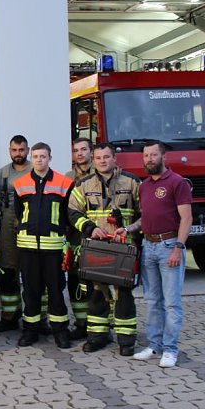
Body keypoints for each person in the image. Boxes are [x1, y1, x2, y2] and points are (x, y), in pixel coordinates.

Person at [115, 140, 192, 368]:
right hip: (148, 247)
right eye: (146, 155)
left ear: (163, 157)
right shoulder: (145, 185)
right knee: (152, 301)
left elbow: (186, 218)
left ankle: (171, 349)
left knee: (171, 303)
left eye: (153, 155)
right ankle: (154, 345)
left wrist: (178, 247)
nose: (149, 159)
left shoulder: (177, 183)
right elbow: (145, 218)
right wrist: (128, 228)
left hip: (169, 246)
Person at [68, 143, 141, 356]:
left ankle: (126, 340)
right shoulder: (83, 184)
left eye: (106, 157)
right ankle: (97, 337)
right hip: (97, 246)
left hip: (124, 247)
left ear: (114, 159)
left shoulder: (132, 182)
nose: (102, 161)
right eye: (98, 157)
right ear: (94, 159)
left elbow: (145, 213)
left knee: (123, 293)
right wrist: (90, 228)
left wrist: (129, 230)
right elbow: (72, 212)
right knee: (97, 293)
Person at [13, 142, 74, 349]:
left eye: (43, 156)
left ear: (50, 158)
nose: (39, 160)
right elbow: (19, 212)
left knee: (56, 290)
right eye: (36, 156)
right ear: (32, 158)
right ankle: (31, 330)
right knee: (31, 290)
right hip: (28, 247)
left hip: (53, 248)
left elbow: (67, 214)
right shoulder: (20, 183)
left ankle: (60, 331)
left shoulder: (64, 183)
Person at [0, 135, 30, 334]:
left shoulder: (36, 170)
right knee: (7, 272)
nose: (18, 154)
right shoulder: (2, 174)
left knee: (33, 273)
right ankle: (9, 317)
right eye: (14, 150)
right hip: (7, 223)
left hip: (31, 224)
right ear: (9, 151)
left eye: (21, 150)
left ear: (28, 150)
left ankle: (36, 319)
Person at [64, 137, 94, 339]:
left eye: (84, 149)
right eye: (76, 150)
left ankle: (98, 326)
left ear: (91, 152)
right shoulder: (68, 177)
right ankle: (81, 323)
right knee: (75, 280)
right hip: (74, 237)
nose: (80, 154)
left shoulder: (100, 175)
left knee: (96, 282)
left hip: (96, 236)